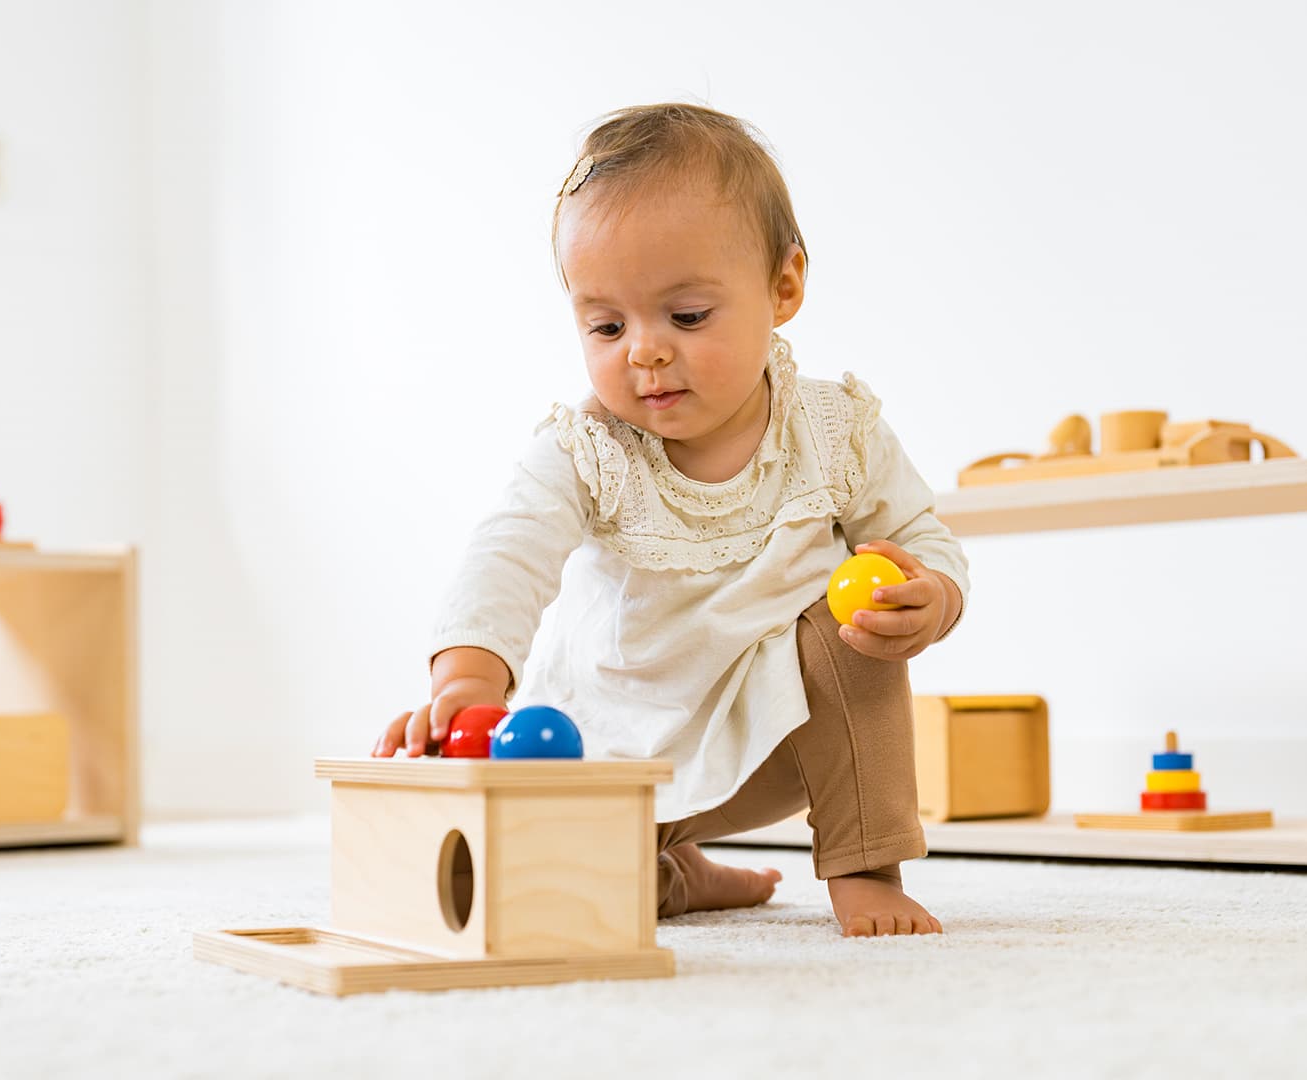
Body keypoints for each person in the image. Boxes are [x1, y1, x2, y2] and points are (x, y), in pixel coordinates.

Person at [373, 103, 969, 937]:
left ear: (783, 287)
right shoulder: (587, 447)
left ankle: (865, 865)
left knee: (848, 624)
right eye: (606, 325)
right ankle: (673, 874)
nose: (644, 351)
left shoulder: (836, 431)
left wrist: (931, 594)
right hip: (613, 753)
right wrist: (468, 677)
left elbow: (920, 539)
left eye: (686, 317)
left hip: (780, 733)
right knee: (534, 888)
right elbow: (507, 554)